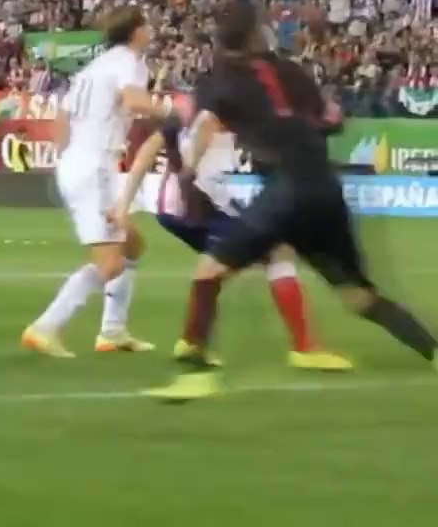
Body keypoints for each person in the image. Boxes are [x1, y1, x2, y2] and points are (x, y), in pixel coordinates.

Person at [143, 0, 438, 402]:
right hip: (324, 186)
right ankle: (431, 349)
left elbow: (202, 122)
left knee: (208, 274)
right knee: (358, 296)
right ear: (256, 34)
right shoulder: (290, 71)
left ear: (220, 41)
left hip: (285, 188)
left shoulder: (218, 81)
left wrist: (187, 169)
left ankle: (195, 374)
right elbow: (333, 120)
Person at [115, 102, 353, 372]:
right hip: (198, 201)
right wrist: (190, 171)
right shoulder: (226, 102)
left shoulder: (193, 109)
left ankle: (192, 342)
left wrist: (124, 204)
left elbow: (148, 150)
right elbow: (209, 123)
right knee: (277, 251)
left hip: (172, 207)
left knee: (218, 265)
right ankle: (304, 347)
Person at [21, 6, 164, 358]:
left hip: (82, 163)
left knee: (132, 245)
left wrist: (65, 160)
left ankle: (112, 331)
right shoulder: (128, 61)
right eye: (146, 25)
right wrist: (173, 113)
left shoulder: (94, 67)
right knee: (110, 262)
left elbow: (63, 117)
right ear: (135, 32)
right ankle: (45, 327)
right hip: (95, 167)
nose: (151, 30)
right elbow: (135, 100)